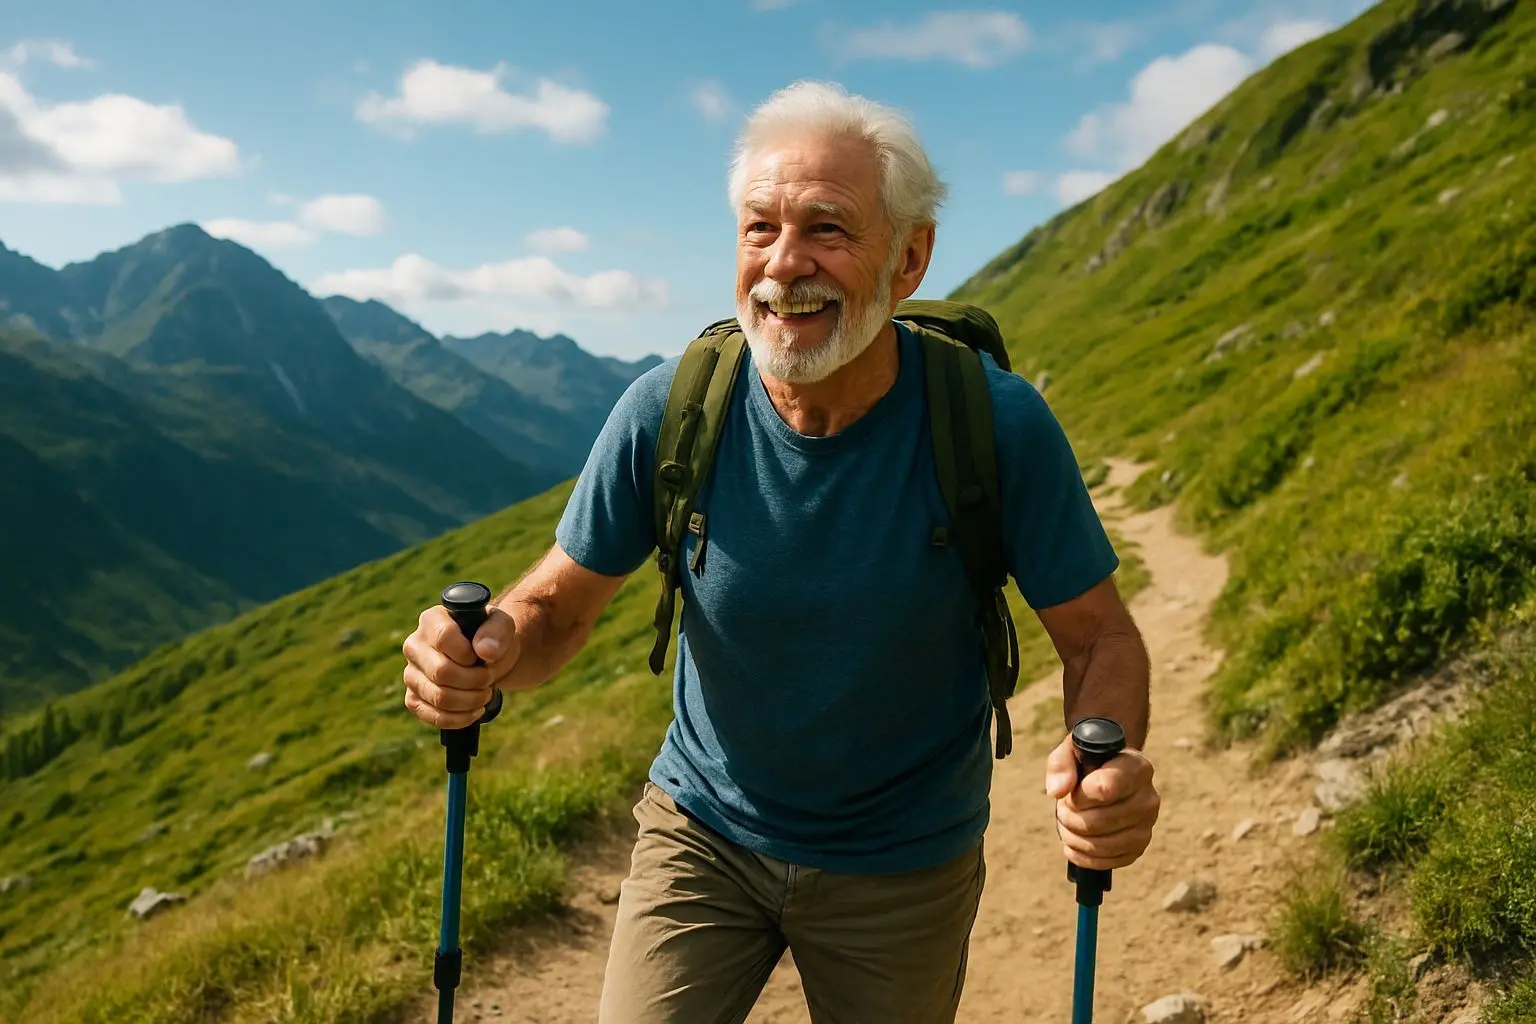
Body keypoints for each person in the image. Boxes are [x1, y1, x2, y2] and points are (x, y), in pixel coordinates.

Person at [400, 79, 1160, 1023]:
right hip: (703, 832)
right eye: (760, 228)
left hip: (904, 857)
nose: (783, 265)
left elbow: (1098, 641)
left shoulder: (995, 428)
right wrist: (487, 648)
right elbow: (556, 607)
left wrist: (1112, 760)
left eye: (828, 230)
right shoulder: (670, 411)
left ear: (910, 258)